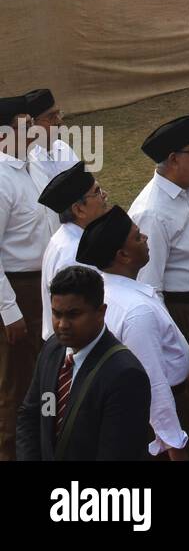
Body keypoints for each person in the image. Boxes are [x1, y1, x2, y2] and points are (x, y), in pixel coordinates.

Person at [127, 116, 189, 461]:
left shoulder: (187, 193)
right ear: (173, 160)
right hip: (182, 319)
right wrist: (169, 343)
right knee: (185, 406)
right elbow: (150, 288)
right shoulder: (153, 210)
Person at [77, 205, 189, 459]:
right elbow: (153, 382)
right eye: (138, 236)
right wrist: (174, 446)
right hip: (153, 425)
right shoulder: (136, 311)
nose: (146, 238)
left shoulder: (111, 291)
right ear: (123, 255)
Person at [16, 266, 152, 461]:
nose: (62, 324)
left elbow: (116, 453)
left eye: (73, 315)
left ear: (101, 312)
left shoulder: (125, 375)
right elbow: (30, 416)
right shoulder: (52, 350)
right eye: (57, 314)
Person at [0, 95, 56, 460]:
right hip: (18, 290)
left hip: (46, 286)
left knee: (46, 378)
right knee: (16, 387)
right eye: (22, 123)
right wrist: (9, 310)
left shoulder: (33, 163)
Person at [38, 161, 108, 340]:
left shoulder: (68, 240)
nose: (104, 196)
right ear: (79, 209)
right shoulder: (73, 254)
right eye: (97, 192)